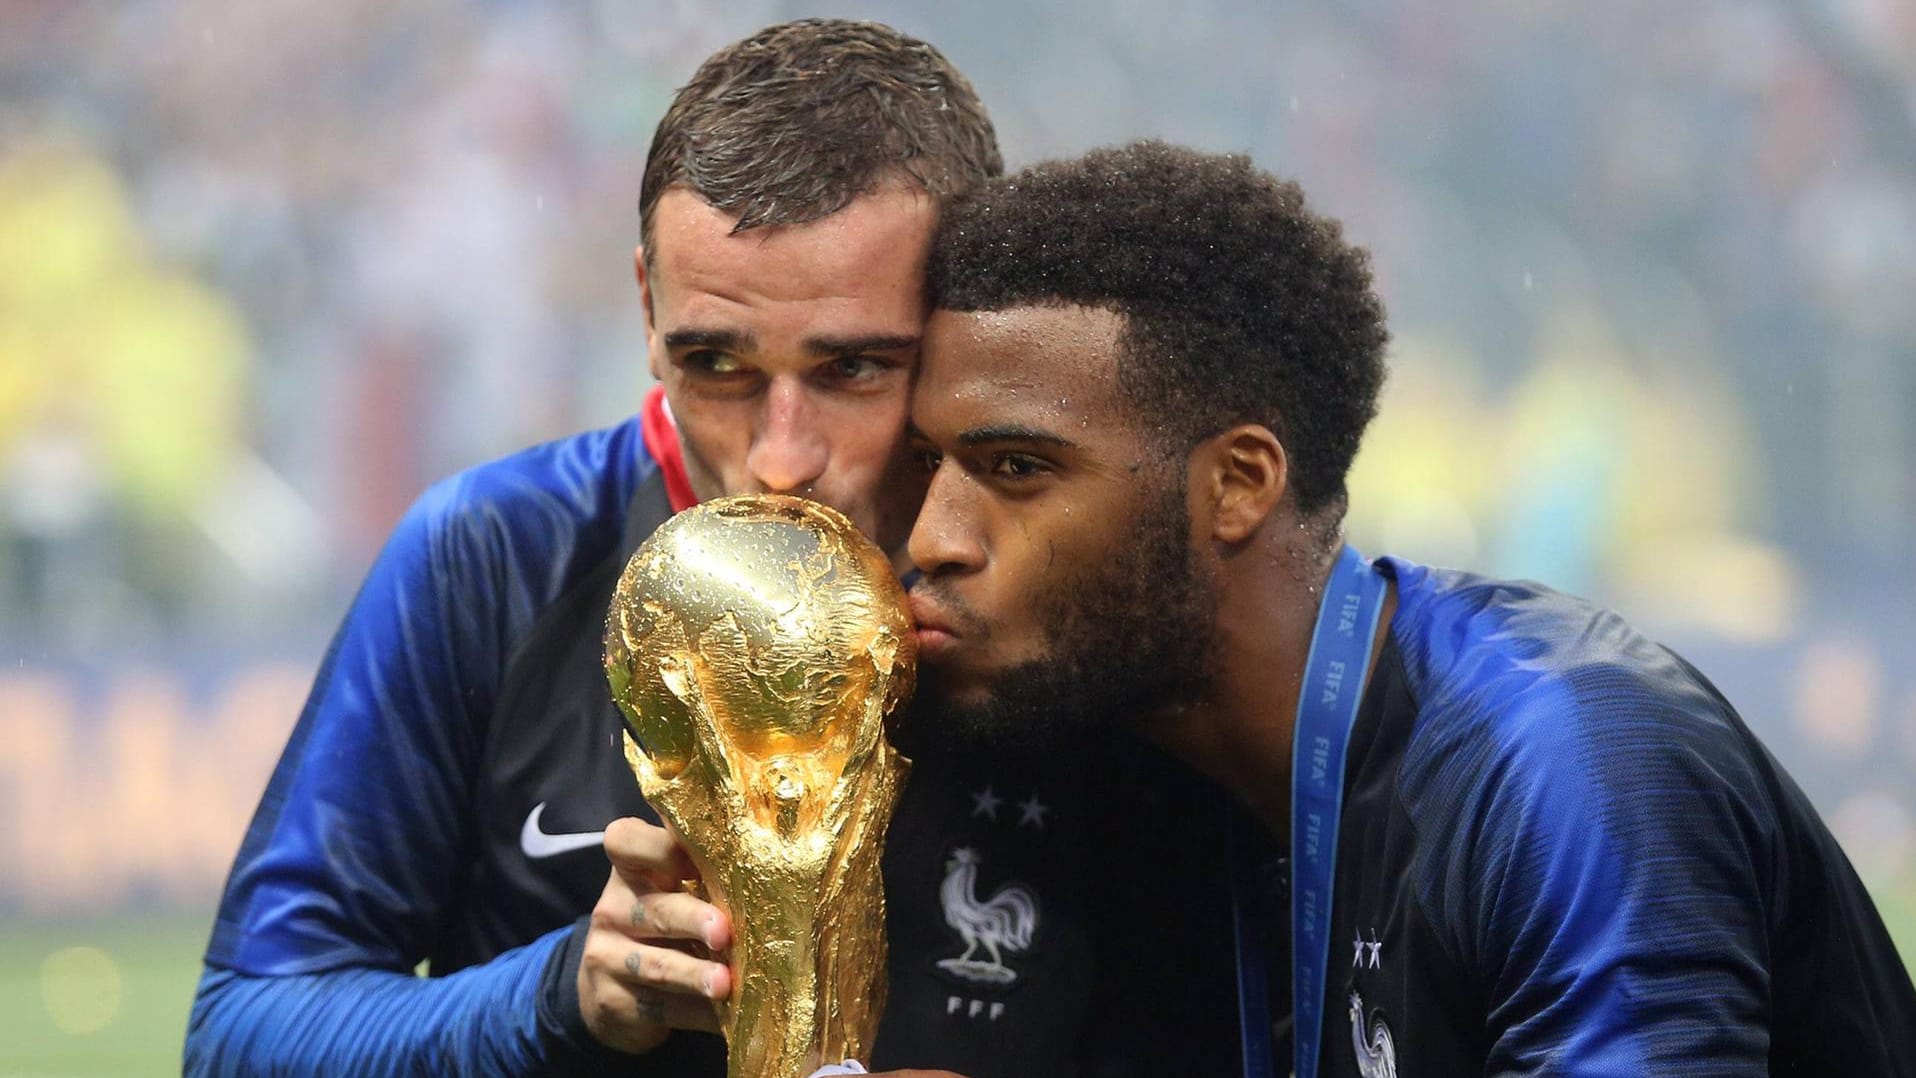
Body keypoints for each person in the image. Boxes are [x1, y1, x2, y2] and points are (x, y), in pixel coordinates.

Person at [187, 25, 1240, 1077]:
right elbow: (240, 1035)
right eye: (715, 364)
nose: (781, 459)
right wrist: (556, 994)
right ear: (647, 310)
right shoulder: (495, 555)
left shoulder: (1088, 596)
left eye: (855, 368)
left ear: (966, 323)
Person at [902, 140, 1916, 1076]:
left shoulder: (1563, 764)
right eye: (929, 465)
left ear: (1238, 484)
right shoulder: (1172, 785)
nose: (930, 537)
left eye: (1016, 468)